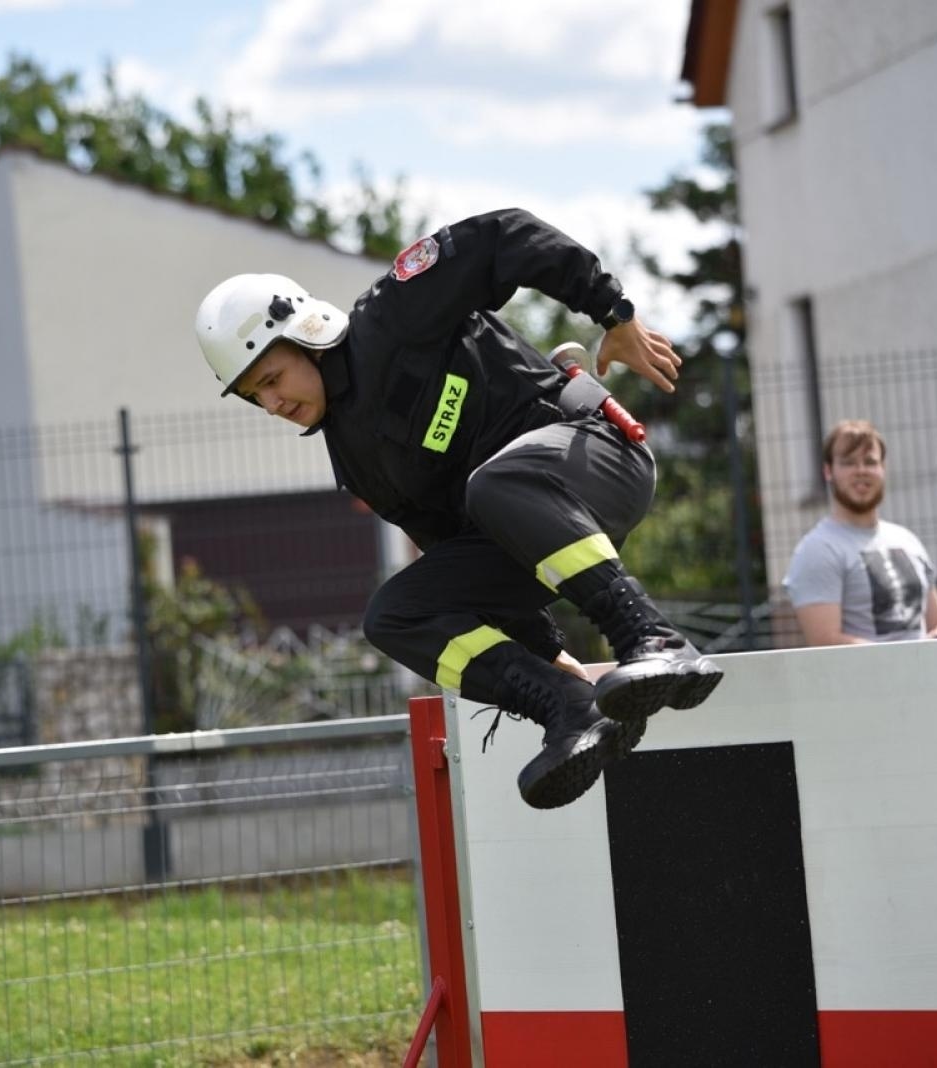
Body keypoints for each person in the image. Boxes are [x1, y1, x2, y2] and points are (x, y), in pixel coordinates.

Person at [192, 209, 723, 811]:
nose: (271, 404)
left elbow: (507, 235)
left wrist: (613, 313)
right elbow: (460, 554)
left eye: (271, 378)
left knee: (492, 485)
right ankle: (565, 706)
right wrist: (548, 652)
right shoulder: (357, 462)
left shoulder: (393, 316)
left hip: (599, 458)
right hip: (520, 521)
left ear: (305, 335)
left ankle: (653, 638)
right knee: (395, 614)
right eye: (254, 396)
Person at [783, 419, 937, 645]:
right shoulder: (817, 550)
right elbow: (825, 641)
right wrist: (903, 658)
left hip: (924, 667)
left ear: (882, 468)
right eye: (848, 463)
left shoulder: (907, 541)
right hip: (876, 670)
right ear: (828, 471)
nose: (861, 471)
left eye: (870, 462)